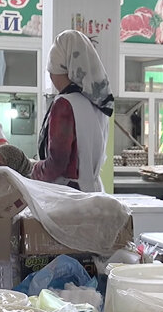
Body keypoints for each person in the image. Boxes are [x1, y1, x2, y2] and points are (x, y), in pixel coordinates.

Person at [31, 30, 113, 192]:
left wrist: (31, 170)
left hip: (68, 195)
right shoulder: (97, 102)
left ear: (57, 68)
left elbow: (58, 163)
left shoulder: (65, 103)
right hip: (93, 191)